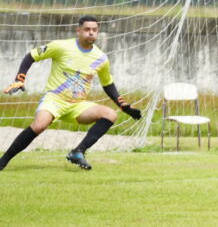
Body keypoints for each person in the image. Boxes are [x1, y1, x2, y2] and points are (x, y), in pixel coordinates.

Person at [0, 15, 142, 171]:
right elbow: (32, 55)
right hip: (54, 99)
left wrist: (123, 105)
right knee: (40, 125)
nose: (91, 33)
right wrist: (20, 79)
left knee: (110, 114)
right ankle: (3, 161)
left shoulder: (101, 58)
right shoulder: (61, 46)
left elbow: (108, 84)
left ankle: (78, 151)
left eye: (94, 30)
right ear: (78, 30)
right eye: (87, 29)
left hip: (77, 105)